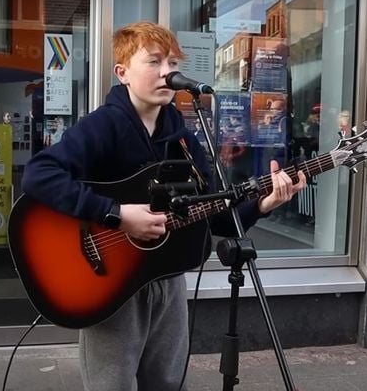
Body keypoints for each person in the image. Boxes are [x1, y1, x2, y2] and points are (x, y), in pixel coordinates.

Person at [21, 21, 306, 391]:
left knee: (168, 382)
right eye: (154, 62)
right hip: (108, 278)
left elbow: (217, 215)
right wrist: (117, 215)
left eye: (172, 63)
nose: (168, 72)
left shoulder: (184, 138)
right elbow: (38, 175)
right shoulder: (103, 126)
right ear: (122, 72)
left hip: (167, 279)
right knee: (113, 384)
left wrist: (264, 203)